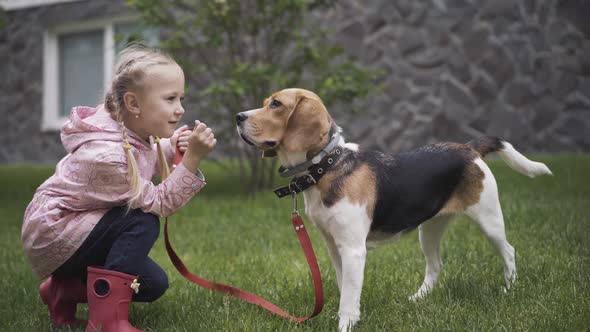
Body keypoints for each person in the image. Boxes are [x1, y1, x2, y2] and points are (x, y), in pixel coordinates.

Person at [21, 43, 216, 331]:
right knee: (143, 221)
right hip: (56, 233)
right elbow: (159, 201)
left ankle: (61, 291)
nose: (180, 109)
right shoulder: (108, 156)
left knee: (151, 284)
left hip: (80, 229)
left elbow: (142, 153)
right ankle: (107, 320)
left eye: (181, 98)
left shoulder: (129, 130)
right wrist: (194, 158)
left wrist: (171, 144)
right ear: (133, 104)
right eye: (170, 98)